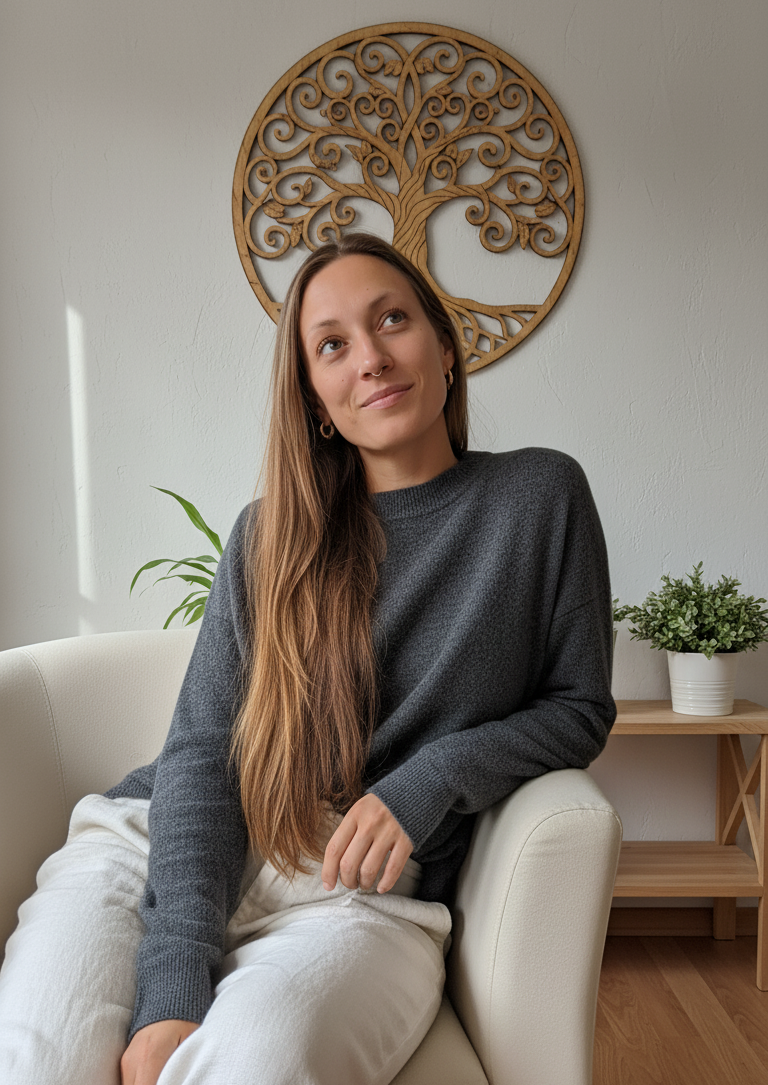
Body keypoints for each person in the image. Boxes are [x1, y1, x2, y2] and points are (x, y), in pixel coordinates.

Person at [0, 233, 616, 1085]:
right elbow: (205, 754)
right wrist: (174, 976)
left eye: (391, 319)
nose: (370, 357)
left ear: (445, 346)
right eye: (332, 344)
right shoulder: (270, 537)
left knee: (253, 1063)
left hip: (358, 894)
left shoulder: (540, 496)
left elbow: (579, 706)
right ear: (319, 400)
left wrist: (430, 777)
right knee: (43, 1062)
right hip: (160, 847)